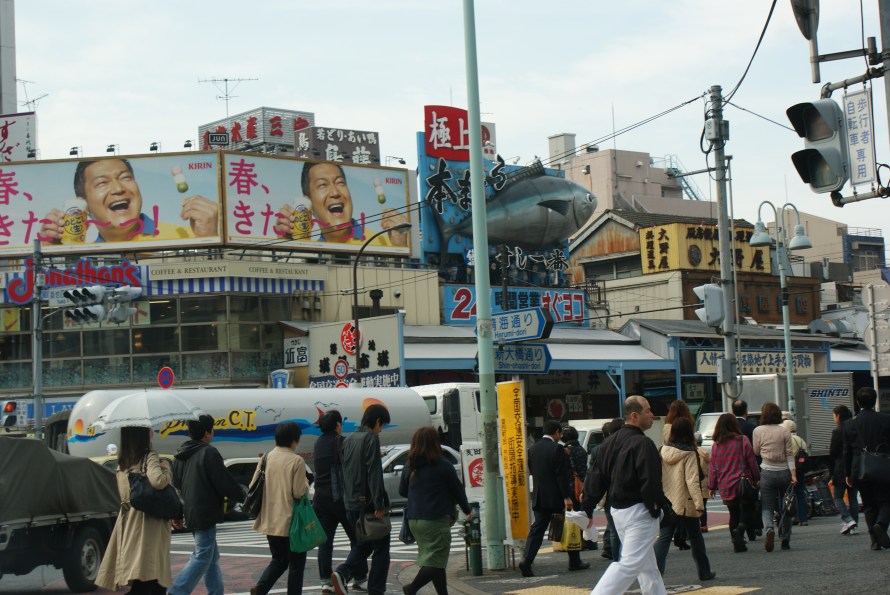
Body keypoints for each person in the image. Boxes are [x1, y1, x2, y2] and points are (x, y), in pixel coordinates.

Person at [583, 396, 668, 595]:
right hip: (640, 511)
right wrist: (656, 508)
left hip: (618, 511)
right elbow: (650, 481)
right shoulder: (643, 443)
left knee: (647, 567)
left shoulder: (607, 443)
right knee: (629, 565)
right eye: (648, 411)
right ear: (634, 415)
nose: (652, 415)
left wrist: (587, 507)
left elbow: (595, 478)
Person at [39, 158, 219, 244]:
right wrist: (49, 253)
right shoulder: (86, 258)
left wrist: (209, 240)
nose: (118, 188)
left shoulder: (184, 237)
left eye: (125, 178)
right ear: (83, 203)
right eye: (102, 183)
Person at [169, 415, 245, 595]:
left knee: (211, 557)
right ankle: (177, 591)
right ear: (206, 433)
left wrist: (178, 513)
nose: (213, 432)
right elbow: (224, 482)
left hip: (190, 511)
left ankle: (216, 592)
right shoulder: (208, 452)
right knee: (203, 555)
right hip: (206, 511)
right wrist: (244, 497)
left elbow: (177, 487)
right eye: (212, 429)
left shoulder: (180, 455)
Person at [95, 426, 173, 595]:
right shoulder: (149, 455)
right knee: (151, 574)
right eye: (148, 430)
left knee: (144, 574)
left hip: (129, 518)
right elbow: (158, 481)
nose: (152, 432)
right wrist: (166, 468)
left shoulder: (123, 460)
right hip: (148, 521)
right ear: (142, 434)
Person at [399, 426, 473, 595]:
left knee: (435, 561)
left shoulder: (410, 465)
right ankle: (411, 588)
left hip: (414, 520)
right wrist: (467, 510)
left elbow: (402, 491)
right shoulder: (443, 465)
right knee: (435, 561)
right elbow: (457, 491)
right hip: (434, 520)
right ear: (435, 443)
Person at [332, 404, 392, 595]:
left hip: (351, 502)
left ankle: (342, 573)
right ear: (377, 421)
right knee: (381, 548)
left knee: (363, 545)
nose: (381, 430)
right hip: (369, 503)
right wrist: (379, 502)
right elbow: (374, 472)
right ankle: (376, 589)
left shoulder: (348, 439)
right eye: (382, 425)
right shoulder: (371, 438)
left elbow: (346, 470)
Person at [274, 161, 408, 245]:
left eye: (340, 183)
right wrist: (285, 244)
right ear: (308, 202)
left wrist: (400, 247)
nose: (335, 192)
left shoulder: (382, 243)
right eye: (322, 185)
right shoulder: (310, 251)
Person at [518, 420, 589, 577]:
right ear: (556, 432)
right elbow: (561, 475)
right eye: (559, 433)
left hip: (539, 496)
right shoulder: (557, 448)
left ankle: (527, 560)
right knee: (570, 525)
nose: (560, 436)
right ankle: (574, 561)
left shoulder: (533, 449)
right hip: (556, 497)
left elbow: (533, 471)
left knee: (537, 530)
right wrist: (567, 497)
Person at [249, 421, 311, 595]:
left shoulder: (266, 458)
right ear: (294, 440)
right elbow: (298, 492)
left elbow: (253, 485)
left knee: (279, 559)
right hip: (291, 521)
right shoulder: (296, 460)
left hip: (270, 520)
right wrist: (306, 482)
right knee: (296, 564)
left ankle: (261, 588)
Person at [654, 417, 715, 581]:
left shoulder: (662, 451)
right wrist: (699, 504)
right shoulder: (690, 453)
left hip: (667, 501)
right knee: (695, 537)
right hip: (686, 502)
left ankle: (655, 575)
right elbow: (692, 480)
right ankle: (704, 572)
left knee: (664, 538)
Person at [313, 411, 366, 594]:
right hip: (342, 499)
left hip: (321, 499)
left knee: (325, 542)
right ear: (337, 424)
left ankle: (326, 582)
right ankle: (358, 577)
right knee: (357, 539)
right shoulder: (342, 441)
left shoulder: (318, 443)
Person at [843, 387, 890, 551]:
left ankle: (874, 541)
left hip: (860, 468)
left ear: (857, 402)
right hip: (883, 467)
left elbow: (846, 452)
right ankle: (881, 524)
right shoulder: (886, 419)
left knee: (869, 504)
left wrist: (848, 474)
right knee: (886, 501)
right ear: (875, 400)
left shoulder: (849, 424)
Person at [707, 413, 759, 553]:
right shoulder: (743, 440)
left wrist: (711, 486)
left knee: (733, 513)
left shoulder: (716, 446)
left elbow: (713, 468)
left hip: (725, 484)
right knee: (748, 509)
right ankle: (740, 530)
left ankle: (737, 543)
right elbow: (752, 462)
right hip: (742, 482)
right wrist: (756, 477)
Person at [753, 402, 795, 552]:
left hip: (767, 471)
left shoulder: (758, 430)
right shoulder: (784, 431)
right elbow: (789, 454)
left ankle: (769, 529)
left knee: (767, 506)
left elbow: (756, 451)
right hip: (784, 472)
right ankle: (785, 539)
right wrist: (794, 474)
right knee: (786, 506)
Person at [661, 400, 694, 550]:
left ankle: (677, 534)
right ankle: (681, 535)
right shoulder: (686, 425)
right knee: (684, 501)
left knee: (673, 500)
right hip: (683, 462)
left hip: (669, 464)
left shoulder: (666, 426)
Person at [592, 418, 623, 561]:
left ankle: (615, 557)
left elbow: (593, 472)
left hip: (606, 492)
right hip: (621, 491)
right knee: (621, 529)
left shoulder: (597, 449)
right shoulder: (623, 446)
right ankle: (620, 557)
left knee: (613, 527)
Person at [562, 425, 596, 550]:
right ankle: (589, 541)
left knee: (573, 515)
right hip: (582, 484)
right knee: (584, 513)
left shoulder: (565, 451)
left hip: (570, 485)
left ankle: (575, 541)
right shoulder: (581, 449)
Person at [830, 404, 858, 535]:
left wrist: (831, 470)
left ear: (838, 416)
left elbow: (833, 452)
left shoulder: (837, 431)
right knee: (853, 497)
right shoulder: (855, 428)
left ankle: (848, 519)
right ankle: (853, 523)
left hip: (840, 467)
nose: (833, 418)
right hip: (854, 466)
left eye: (834, 415)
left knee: (837, 497)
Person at [782, 419, 809, 526]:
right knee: (800, 494)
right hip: (801, 470)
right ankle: (803, 518)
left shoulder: (788, 440)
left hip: (790, 470)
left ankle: (788, 518)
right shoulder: (800, 439)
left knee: (787, 494)